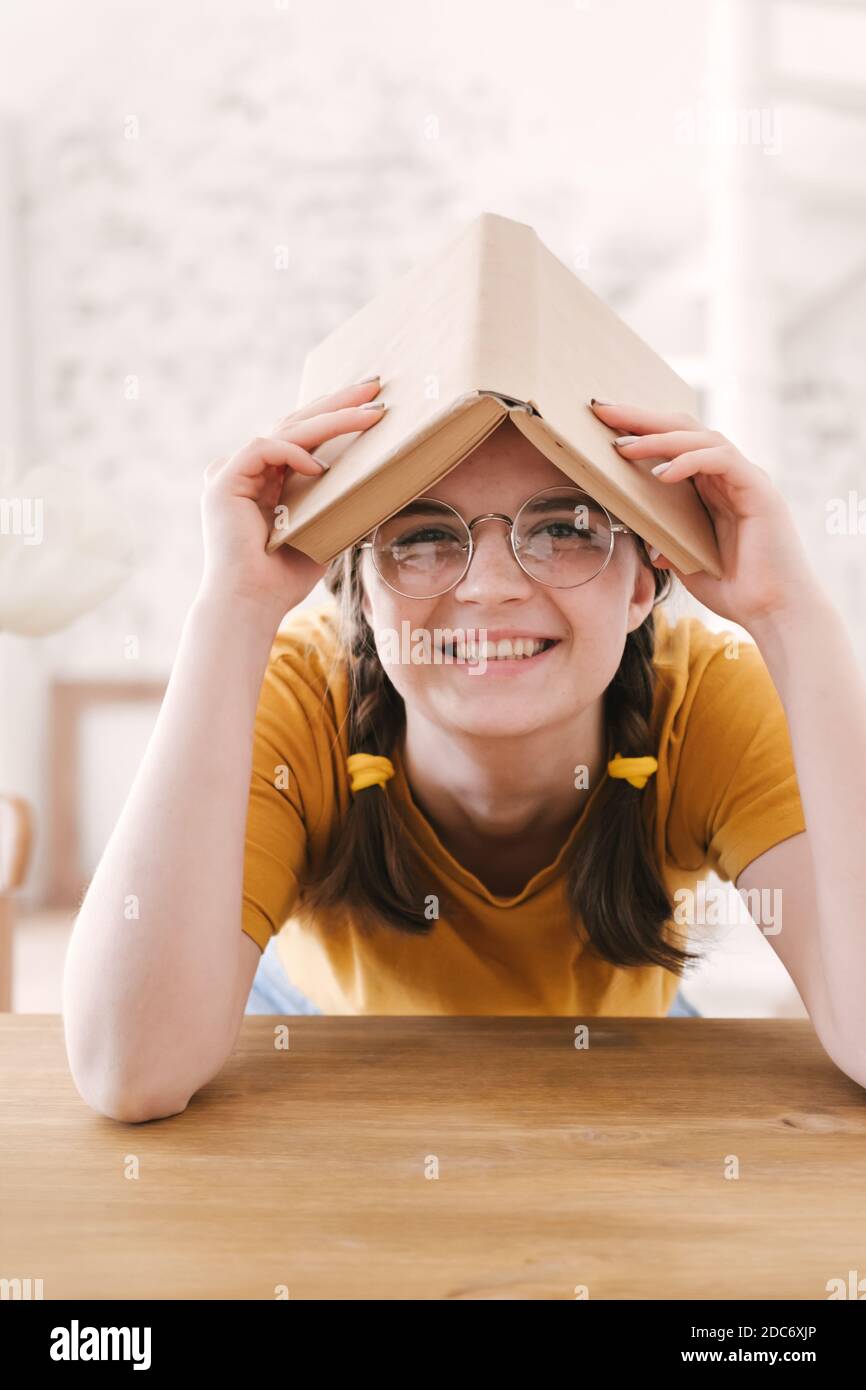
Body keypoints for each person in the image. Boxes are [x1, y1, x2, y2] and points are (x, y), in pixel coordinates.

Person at [63, 375, 866, 1121]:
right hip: (322, 1024)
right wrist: (232, 609)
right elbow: (130, 1070)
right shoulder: (298, 693)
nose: (488, 588)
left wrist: (789, 612)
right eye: (422, 538)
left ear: (642, 582)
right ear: (361, 594)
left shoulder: (705, 696)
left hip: (619, 1039)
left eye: (562, 529)